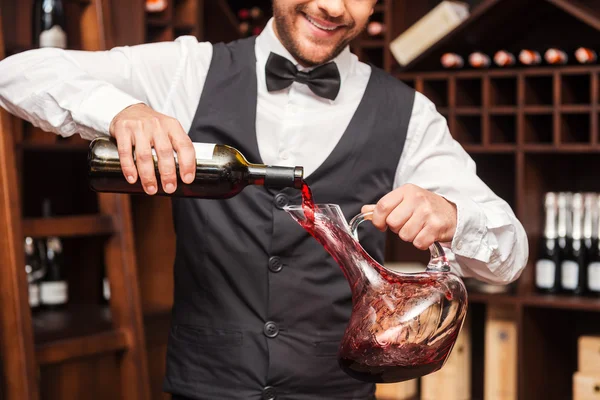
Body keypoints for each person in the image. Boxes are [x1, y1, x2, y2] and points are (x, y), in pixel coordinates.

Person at [0, 0, 528, 398]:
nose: (333, 7)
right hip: (203, 388)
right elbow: (16, 73)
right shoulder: (190, 69)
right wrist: (121, 110)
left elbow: (511, 256)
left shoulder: (410, 115)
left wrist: (454, 216)